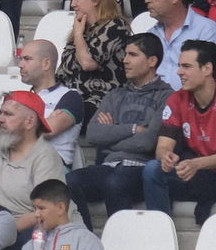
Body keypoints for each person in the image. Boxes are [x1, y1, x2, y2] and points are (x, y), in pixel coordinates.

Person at [65, 32, 171, 223]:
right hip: (109, 166)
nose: (125, 60)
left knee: (116, 182)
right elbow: (93, 133)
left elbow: (148, 142)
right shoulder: (115, 95)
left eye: (133, 55)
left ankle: (120, 243)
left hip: (141, 168)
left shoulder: (167, 96)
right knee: (69, 182)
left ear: (152, 61)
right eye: (125, 54)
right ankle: (87, 238)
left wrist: (110, 137)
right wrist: (131, 129)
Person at [144, 40, 216, 221]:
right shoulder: (176, 99)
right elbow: (162, 148)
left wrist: (197, 164)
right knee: (152, 168)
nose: (179, 72)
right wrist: (166, 157)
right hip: (196, 177)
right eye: (179, 66)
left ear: (207, 69)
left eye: (186, 66)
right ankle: (160, 235)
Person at [0, 93, 68, 241]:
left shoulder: (45, 156)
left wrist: (4, 231)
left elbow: (47, 210)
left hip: (25, 230)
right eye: (0, 113)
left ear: (29, 122)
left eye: (8, 114)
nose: (0, 120)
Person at [131, 0, 216, 86]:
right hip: (153, 101)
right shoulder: (151, 34)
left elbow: (211, 82)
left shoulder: (206, 31)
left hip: (192, 102)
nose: (147, 0)